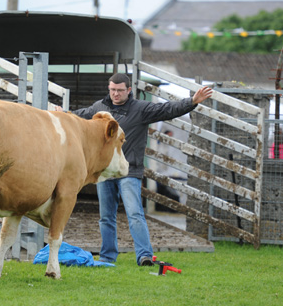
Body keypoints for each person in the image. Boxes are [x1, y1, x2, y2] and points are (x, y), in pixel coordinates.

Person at [56, 73, 213, 266]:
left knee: (134, 213)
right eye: (112, 89)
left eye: (120, 90)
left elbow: (167, 109)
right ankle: (107, 256)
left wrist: (192, 102)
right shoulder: (99, 108)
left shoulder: (141, 109)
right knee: (106, 217)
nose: (115, 94)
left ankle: (144, 255)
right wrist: (63, 113)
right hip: (105, 172)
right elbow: (80, 116)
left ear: (128, 90)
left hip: (129, 171)